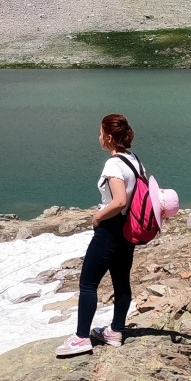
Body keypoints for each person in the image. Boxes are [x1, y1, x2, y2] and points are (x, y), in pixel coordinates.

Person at [57, 113, 141, 357]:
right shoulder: (134, 160)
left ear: (109, 137)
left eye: (100, 132)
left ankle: (81, 337)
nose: (99, 137)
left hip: (110, 230)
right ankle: (115, 331)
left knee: (88, 283)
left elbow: (119, 200)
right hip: (128, 230)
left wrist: (98, 217)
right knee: (121, 282)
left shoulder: (113, 164)